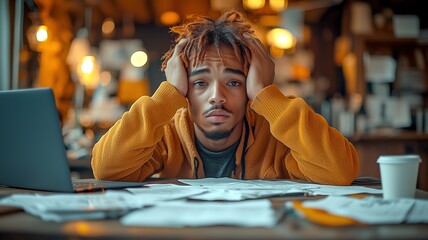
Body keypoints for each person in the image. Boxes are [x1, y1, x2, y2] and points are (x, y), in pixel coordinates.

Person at [91, 10, 359, 185]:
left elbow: (340, 171)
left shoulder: (277, 133)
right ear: (184, 91)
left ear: (249, 91)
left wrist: (267, 95)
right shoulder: (166, 132)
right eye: (199, 83)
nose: (216, 97)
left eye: (233, 82)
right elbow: (106, 168)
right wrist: (167, 97)